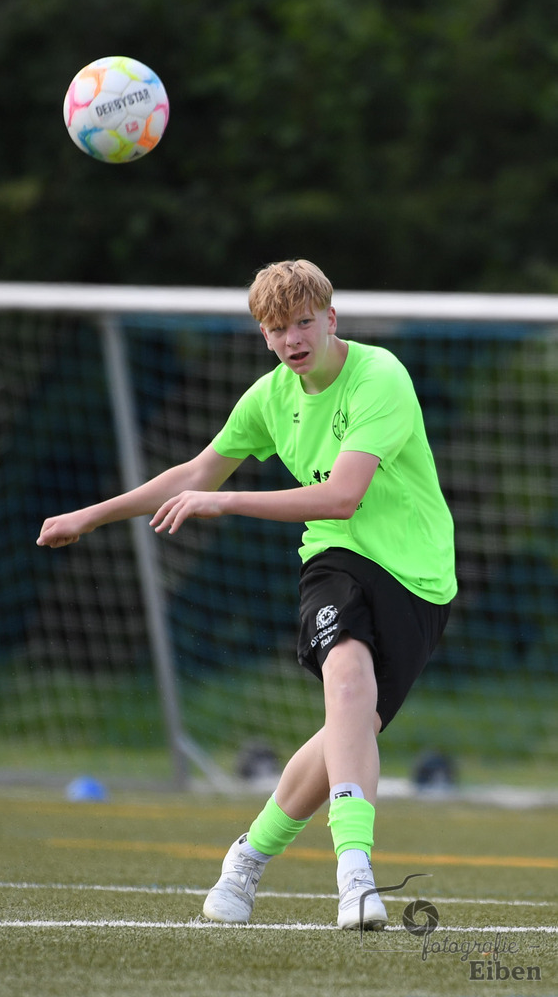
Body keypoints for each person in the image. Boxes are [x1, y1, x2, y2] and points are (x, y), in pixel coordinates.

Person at [37, 258, 457, 930]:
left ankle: (245, 861)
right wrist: (91, 515)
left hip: (417, 575)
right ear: (261, 335)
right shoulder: (268, 397)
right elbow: (195, 471)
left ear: (330, 318)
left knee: (346, 732)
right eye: (274, 328)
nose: (291, 339)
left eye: (301, 323)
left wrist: (225, 501)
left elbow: (343, 493)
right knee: (345, 679)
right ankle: (355, 877)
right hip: (334, 557)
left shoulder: (378, 376)